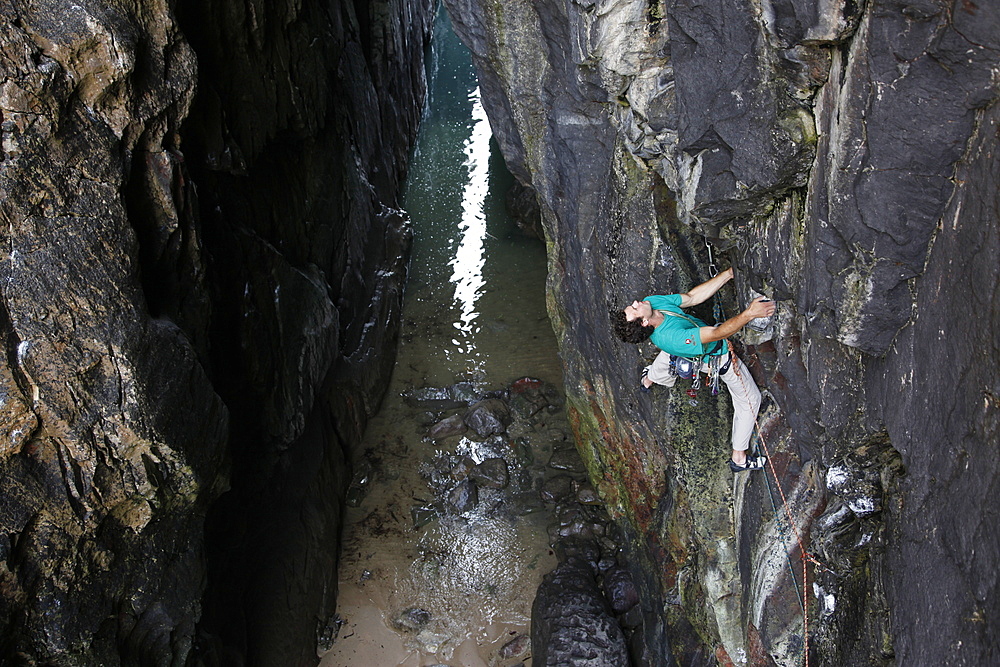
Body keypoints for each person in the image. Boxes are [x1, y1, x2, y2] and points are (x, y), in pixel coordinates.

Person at [610, 268, 776, 472]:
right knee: (750, 400)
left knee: (669, 354)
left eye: (632, 306)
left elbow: (691, 297)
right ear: (644, 322)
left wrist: (728, 274)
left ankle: (648, 380)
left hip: (683, 343)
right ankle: (739, 458)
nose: (636, 303)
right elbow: (717, 333)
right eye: (634, 309)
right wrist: (750, 314)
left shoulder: (651, 303)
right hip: (715, 355)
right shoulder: (671, 338)